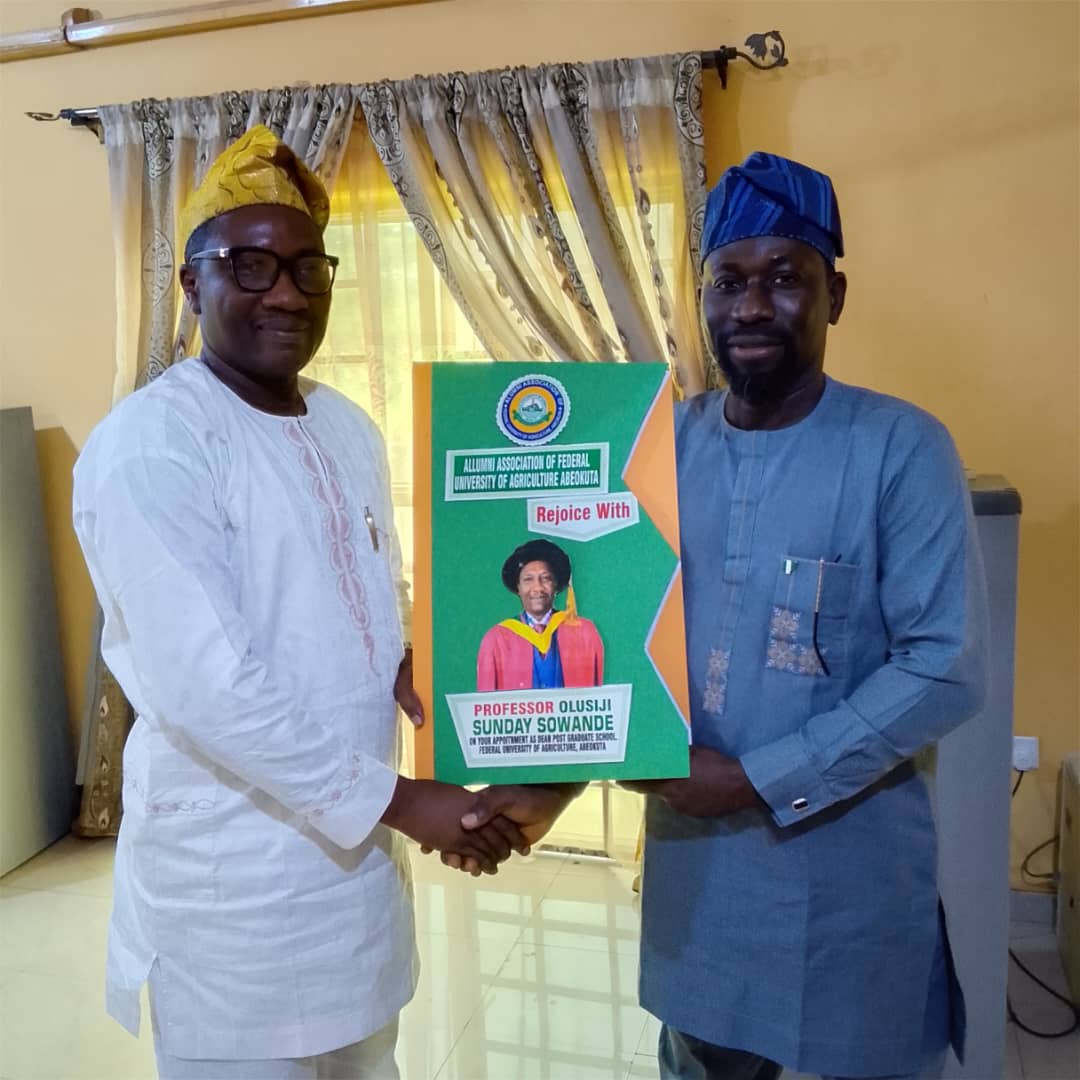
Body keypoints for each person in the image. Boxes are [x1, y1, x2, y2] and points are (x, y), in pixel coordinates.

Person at [461, 152, 989, 1080]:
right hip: (702, 882)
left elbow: (943, 665)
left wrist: (754, 779)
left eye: (785, 278)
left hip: (849, 876)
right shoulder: (656, 450)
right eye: (727, 281)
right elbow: (609, 649)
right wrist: (546, 787)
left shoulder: (902, 448)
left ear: (835, 296)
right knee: (703, 1059)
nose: (751, 306)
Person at [72, 126, 530, 1080]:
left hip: (352, 882)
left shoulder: (348, 425)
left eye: (308, 267)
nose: (285, 292)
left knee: (367, 1058)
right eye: (250, 265)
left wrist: (416, 661)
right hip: (234, 894)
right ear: (191, 284)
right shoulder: (152, 444)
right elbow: (204, 687)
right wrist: (408, 802)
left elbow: (361, 602)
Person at [477, 538, 604, 691]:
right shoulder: (496, 640)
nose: (537, 587)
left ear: (556, 585)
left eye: (546, 578)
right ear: (518, 588)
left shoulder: (585, 632)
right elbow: (486, 702)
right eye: (528, 580)